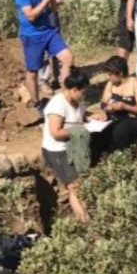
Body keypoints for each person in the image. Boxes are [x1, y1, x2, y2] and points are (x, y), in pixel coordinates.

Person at [13, 0, 73, 108]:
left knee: (67, 58)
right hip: (32, 35)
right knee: (32, 71)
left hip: (49, 30)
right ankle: (37, 104)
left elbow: (53, 8)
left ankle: (67, 98)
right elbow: (31, 16)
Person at [42, 69, 91, 222]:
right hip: (58, 151)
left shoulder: (78, 101)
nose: (85, 95)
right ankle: (85, 220)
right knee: (74, 187)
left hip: (73, 148)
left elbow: (80, 116)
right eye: (83, 92)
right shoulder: (57, 105)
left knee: (81, 184)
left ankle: (85, 214)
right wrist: (80, 130)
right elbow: (55, 132)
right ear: (74, 90)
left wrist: (93, 116)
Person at [90, 56, 137, 162]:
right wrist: (107, 107)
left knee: (119, 132)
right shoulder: (111, 84)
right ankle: (99, 159)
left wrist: (125, 106)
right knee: (97, 134)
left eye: (110, 74)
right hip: (115, 116)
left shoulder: (136, 84)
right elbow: (103, 101)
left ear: (120, 73)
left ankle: (126, 158)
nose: (109, 78)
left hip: (134, 119)